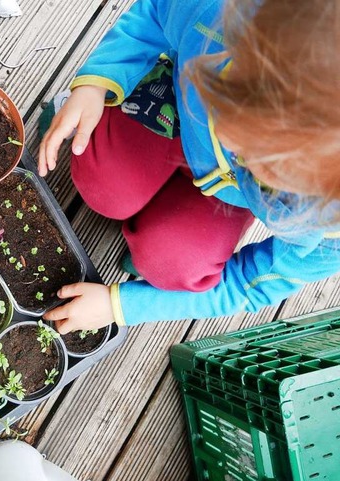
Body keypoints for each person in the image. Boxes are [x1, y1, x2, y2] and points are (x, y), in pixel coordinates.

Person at [39, 0, 340, 334]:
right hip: (172, 111)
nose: (229, 135)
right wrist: (96, 84)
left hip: (225, 196)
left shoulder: (331, 231)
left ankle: (153, 242)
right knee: (104, 187)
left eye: (264, 166)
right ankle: (74, 114)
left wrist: (119, 305)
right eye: (232, 102)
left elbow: (247, 284)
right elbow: (155, 11)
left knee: (175, 264)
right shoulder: (219, 13)